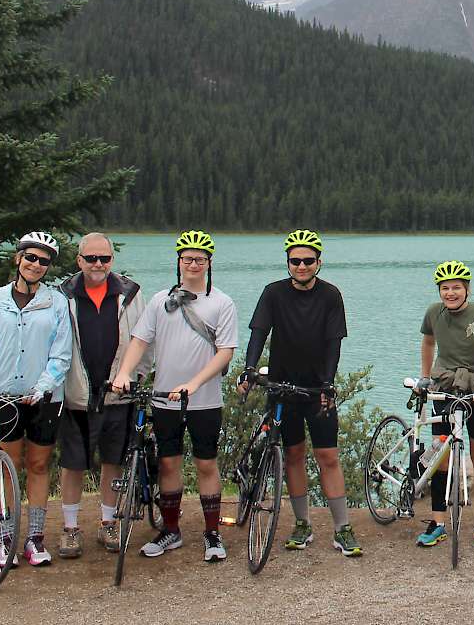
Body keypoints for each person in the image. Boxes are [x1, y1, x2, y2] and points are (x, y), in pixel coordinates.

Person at [112, 230, 237, 562]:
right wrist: (124, 373)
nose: (193, 264)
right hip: (164, 397)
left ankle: (212, 533)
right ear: (178, 262)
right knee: (168, 462)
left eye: (200, 259)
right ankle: (171, 530)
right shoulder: (158, 301)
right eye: (187, 259)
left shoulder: (222, 303)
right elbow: (140, 341)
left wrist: (194, 383)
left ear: (209, 264)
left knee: (206, 463)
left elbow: (225, 352)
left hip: (205, 400)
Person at [240, 230, 360, 557]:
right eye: (296, 261)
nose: (302, 266)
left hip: (317, 390)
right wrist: (250, 368)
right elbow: (258, 333)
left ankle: (342, 528)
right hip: (281, 389)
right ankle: (302, 524)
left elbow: (333, 344)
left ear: (319, 262)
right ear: (288, 263)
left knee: (328, 457)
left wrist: (328, 383)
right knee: (293, 455)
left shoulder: (331, 295)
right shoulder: (273, 293)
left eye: (308, 260)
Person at [0, 231, 72, 568]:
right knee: (5, 470)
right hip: (2, 397)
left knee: (39, 465)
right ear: (18, 258)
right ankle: (6, 538)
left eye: (43, 261)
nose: (36, 265)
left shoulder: (56, 303)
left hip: (43, 399)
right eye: (30, 257)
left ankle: (34, 539)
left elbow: (61, 355)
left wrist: (41, 387)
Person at [55, 232, 147, 558]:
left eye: (104, 258)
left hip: (117, 393)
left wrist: (139, 376)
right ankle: (70, 528)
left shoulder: (130, 293)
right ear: (79, 260)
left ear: (111, 260)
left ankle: (108, 522)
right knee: (73, 464)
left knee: (112, 461)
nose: (97, 264)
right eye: (90, 258)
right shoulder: (62, 295)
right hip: (76, 392)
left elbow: (143, 337)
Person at [414, 261, 474, 549]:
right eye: (445, 288)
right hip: (446, 387)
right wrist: (425, 377)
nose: (450, 293)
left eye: (456, 287)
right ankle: (438, 521)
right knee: (441, 457)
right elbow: (428, 344)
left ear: (467, 289)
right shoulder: (433, 313)